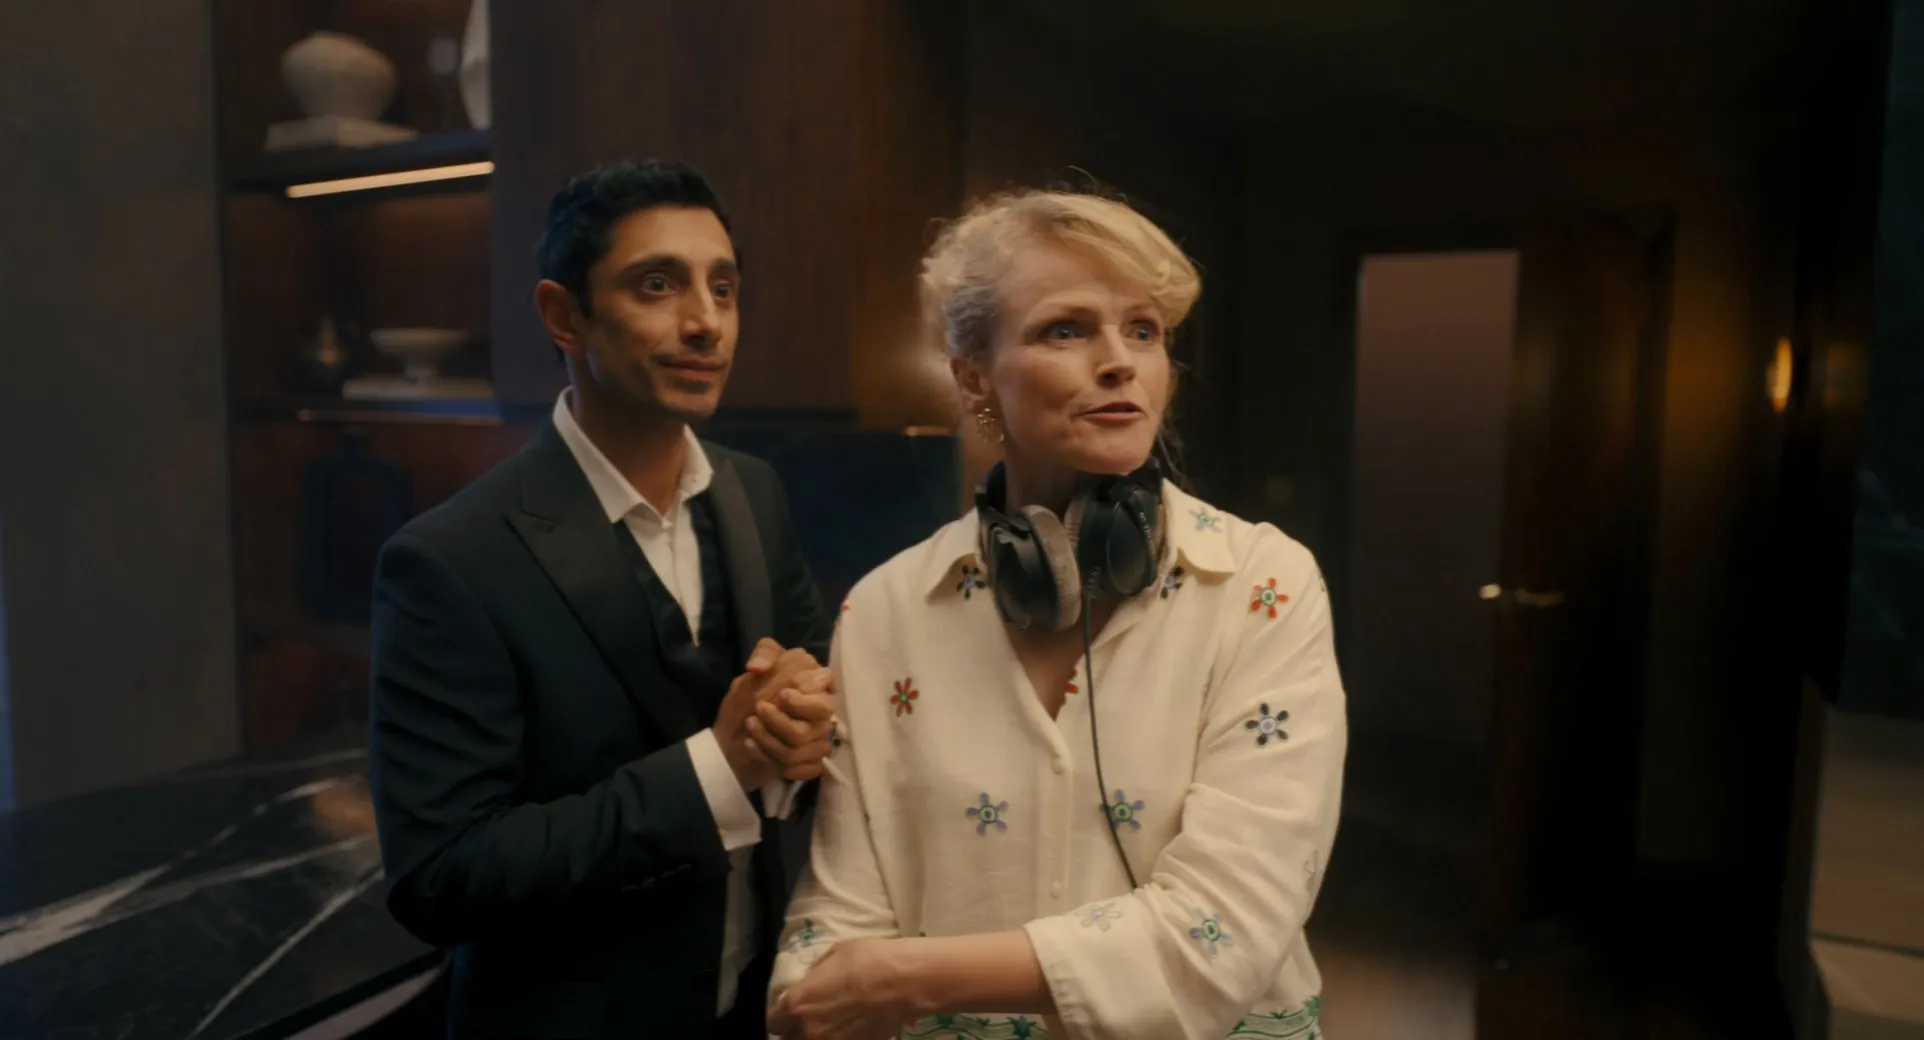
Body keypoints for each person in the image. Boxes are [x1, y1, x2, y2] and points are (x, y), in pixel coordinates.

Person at [761, 190, 1348, 1040]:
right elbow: (838, 913)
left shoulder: (1264, 586)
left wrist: (902, 978)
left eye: (1143, 330)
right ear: (973, 376)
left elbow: (1227, 930)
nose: (1120, 363)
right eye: (1065, 330)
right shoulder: (888, 608)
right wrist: (813, 987)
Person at [369, 159, 839, 1040]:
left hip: (757, 1004)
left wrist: (806, 720)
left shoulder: (754, 492)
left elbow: (812, 713)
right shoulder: (451, 559)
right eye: (657, 284)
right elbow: (440, 877)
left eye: (724, 288)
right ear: (564, 315)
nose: (705, 322)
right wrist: (718, 768)